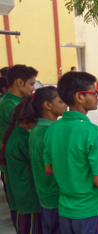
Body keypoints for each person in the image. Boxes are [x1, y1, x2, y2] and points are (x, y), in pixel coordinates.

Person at [44, 72, 98, 233]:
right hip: (91, 210)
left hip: (65, 210)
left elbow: (49, 169)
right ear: (79, 97)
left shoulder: (53, 129)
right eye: (94, 93)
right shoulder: (94, 132)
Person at [1, 93, 47, 233]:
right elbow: (43, 166)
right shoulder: (24, 139)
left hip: (21, 199)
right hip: (29, 200)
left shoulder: (17, 133)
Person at [27, 87, 67, 233]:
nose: (66, 105)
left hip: (45, 198)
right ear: (48, 105)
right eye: (61, 101)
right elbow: (61, 168)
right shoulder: (51, 131)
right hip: (56, 198)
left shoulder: (37, 129)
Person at [0, 65, 38, 199]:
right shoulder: (12, 106)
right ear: (20, 82)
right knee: (22, 205)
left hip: (12, 160)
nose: (33, 88)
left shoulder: (13, 101)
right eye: (32, 84)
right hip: (15, 162)